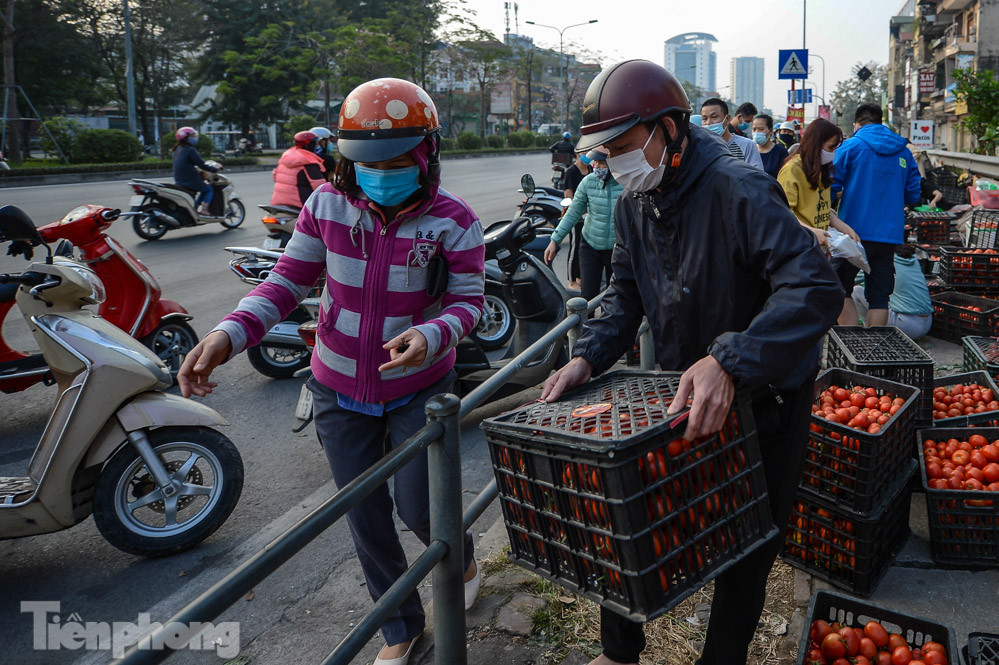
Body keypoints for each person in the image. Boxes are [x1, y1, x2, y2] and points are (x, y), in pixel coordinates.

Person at [539, 59, 843, 665]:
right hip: (685, 396)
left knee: (747, 546)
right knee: (632, 519)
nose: (614, 164)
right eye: (605, 155)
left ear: (670, 130)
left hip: (768, 397)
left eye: (623, 148)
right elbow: (625, 294)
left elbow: (813, 288)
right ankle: (619, 651)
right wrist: (588, 356)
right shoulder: (634, 201)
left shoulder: (738, 187)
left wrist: (729, 360)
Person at [177, 78, 485, 665]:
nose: (381, 173)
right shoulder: (325, 206)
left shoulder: (454, 220)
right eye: (367, 162)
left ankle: (460, 552)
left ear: (428, 153)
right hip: (337, 387)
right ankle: (399, 627)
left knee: (421, 508)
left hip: (419, 387)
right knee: (364, 515)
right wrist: (230, 332)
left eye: (398, 161)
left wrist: (432, 332)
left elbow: (469, 301)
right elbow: (288, 281)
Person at [832, 102, 921, 327]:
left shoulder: (850, 147)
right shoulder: (904, 152)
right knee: (879, 297)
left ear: (857, 124)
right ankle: (871, 353)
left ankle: (852, 346)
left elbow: (831, 185)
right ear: (881, 122)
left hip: (852, 234)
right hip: (889, 235)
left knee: (839, 287)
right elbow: (913, 195)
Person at [544, 149, 624, 301]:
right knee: (588, 296)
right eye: (596, 163)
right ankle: (587, 324)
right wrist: (555, 240)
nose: (598, 167)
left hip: (617, 248)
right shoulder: (588, 182)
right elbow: (573, 212)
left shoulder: (626, 183)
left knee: (615, 297)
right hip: (590, 246)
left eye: (602, 163)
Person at [777, 118, 859, 250]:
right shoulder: (793, 169)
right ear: (816, 144)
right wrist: (812, 231)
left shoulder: (820, 168)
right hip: (798, 248)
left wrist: (843, 227)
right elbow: (783, 213)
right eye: (830, 147)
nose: (833, 153)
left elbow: (820, 207)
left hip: (817, 248)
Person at [851, 243, 933, 338]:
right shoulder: (913, 259)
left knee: (857, 291)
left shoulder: (883, 259)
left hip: (905, 325)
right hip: (927, 323)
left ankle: (870, 333)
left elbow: (854, 279)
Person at [700, 98, 764, 170]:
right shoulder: (700, 148)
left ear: (727, 119)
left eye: (714, 117)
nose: (708, 123)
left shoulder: (747, 145)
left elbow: (757, 177)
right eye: (704, 119)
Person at [269, 130, 328, 208]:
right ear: (309, 145)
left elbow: (275, 176)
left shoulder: (287, 155)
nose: (317, 146)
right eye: (315, 144)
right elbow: (320, 187)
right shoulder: (308, 160)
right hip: (301, 204)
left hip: (278, 202)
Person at [562, 149, 593, 290]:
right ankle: (572, 279)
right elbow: (568, 194)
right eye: (583, 153)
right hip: (577, 216)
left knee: (585, 247)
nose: (586, 156)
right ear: (577, 155)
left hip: (590, 215)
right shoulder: (571, 172)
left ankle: (581, 276)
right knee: (575, 246)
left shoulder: (592, 169)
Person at [172, 127, 218, 216]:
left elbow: (185, 164)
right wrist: (214, 169)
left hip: (179, 180)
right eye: (192, 136)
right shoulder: (190, 150)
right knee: (209, 189)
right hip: (189, 179)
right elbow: (201, 164)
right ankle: (204, 210)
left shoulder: (176, 149)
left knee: (202, 189)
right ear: (186, 138)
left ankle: (195, 208)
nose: (194, 138)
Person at [752, 114, 789, 179]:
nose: (756, 132)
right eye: (754, 129)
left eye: (761, 129)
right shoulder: (749, 149)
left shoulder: (781, 152)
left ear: (771, 131)